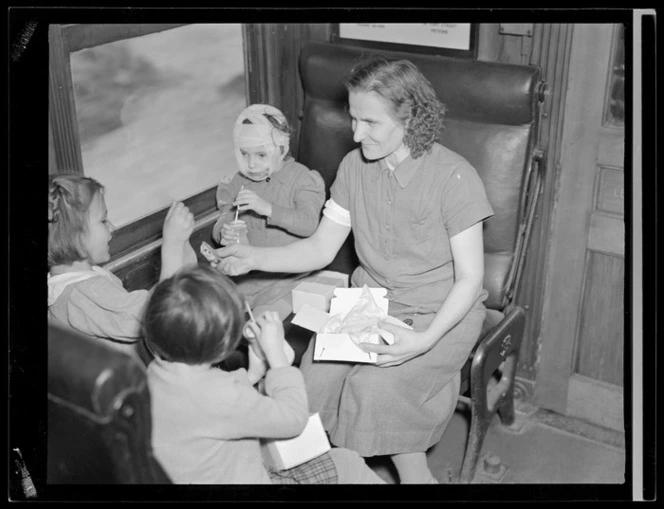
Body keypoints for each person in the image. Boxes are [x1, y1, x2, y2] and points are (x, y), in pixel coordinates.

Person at [214, 56, 495, 483]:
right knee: (314, 380)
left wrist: (422, 341)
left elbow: (470, 279)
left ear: (410, 117)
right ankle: (339, 471)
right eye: (353, 118)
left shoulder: (455, 178)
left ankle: (415, 478)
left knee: (375, 390)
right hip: (371, 301)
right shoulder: (353, 167)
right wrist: (253, 257)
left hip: (440, 313)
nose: (357, 133)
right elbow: (321, 247)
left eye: (371, 122)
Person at [143, 264, 385, 484]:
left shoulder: (153, 377)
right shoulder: (224, 394)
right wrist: (278, 360)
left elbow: (207, 408)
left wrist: (253, 373)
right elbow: (293, 419)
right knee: (345, 463)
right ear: (224, 347)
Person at [47, 173, 196, 361]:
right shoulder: (85, 294)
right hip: (139, 380)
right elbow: (157, 316)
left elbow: (133, 307)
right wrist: (172, 247)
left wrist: (183, 246)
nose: (112, 227)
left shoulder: (68, 283)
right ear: (75, 238)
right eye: (103, 220)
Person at [212, 104, 325, 316]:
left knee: (263, 325)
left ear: (281, 149)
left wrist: (267, 208)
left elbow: (310, 224)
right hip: (244, 278)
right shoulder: (238, 181)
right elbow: (224, 216)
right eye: (245, 155)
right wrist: (224, 232)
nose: (251, 164)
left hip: (287, 280)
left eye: (261, 155)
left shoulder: (302, 179)